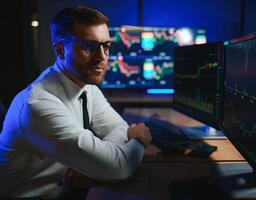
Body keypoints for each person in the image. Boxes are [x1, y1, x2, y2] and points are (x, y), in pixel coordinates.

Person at [0, 5, 152, 199]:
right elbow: (118, 168)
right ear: (61, 50)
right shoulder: (38, 105)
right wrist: (138, 139)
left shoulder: (87, 88)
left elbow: (119, 127)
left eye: (106, 46)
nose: (102, 57)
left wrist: (90, 165)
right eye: (89, 46)